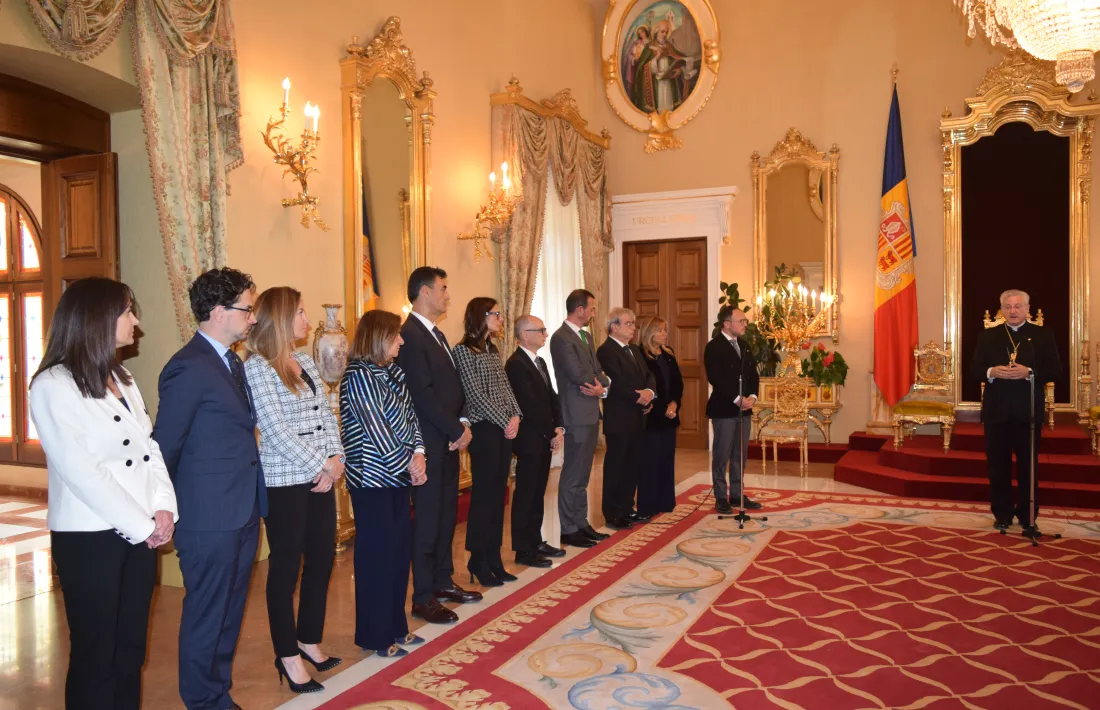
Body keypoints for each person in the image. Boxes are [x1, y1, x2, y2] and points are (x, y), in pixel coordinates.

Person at [30, 278, 177, 710]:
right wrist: (143, 525)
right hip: (91, 539)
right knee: (97, 655)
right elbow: (82, 473)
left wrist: (164, 506)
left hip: (140, 530)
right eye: (128, 312)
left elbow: (149, 448)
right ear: (97, 318)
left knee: (131, 651)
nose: (135, 322)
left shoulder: (122, 377)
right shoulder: (52, 386)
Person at [153, 267, 268, 710]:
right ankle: (201, 700)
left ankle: (217, 694)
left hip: (240, 511)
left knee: (229, 613)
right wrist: (163, 510)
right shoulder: (187, 367)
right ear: (219, 312)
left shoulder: (231, 362)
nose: (252, 319)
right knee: (207, 615)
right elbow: (165, 447)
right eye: (247, 309)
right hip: (207, 519)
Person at [244, 287, 344, 693]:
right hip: (285, 482)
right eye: (300, 313)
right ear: (281, 319)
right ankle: (287, 653)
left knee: (322, 559)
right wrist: (320, 464)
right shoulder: (258, 368)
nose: (306, 320)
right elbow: (274, 430)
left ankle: (308, 639)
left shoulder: (303, 360)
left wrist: (336, 461)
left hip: (321, 476)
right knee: (285, 570)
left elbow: (326, 415)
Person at [396, 266, 482, 625]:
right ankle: (423, 596)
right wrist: (452, 429)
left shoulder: (437, 335)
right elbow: (422, 395)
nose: (448, 295)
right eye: (443, 288)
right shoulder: (410, 335)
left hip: (447, 438)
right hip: (428, 443)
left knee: (447, 514)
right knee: (429, 519)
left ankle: (443, 580)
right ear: (425, 292)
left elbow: (453, 387)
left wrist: (462, 423)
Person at [340, 309, 427, 658]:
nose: (401, 342)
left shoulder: (393, 372)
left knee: (397, 553)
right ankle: (374, 634)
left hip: (397, 476)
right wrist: (410, 466)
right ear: (378, 337)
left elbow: (411, 419)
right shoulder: (358, 376)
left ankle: (395, 626)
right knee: (376, 557)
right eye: (396, 336)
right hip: (372, 480)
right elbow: (378, 432)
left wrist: (419, 452)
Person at [970, 289, 1061, 531]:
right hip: (996, 411)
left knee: (1027, 466)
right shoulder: (987, 336)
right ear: (1001, 310)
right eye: (1008, 307)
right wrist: (993, 372)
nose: (1013, 311)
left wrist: (1029, 372)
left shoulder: (1042, 336)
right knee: (997, 465)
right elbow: (975, 370)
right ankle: (1002, 513)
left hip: (1027, 412)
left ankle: (1028, 515)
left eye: (1018, 306)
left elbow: (1055, 371)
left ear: (1027, 309)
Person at [452, 297, 523, 586]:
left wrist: (516, 415)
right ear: (480, 317)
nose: (500, 319)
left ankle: (494, 557)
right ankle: (477, 559)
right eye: (495, 314)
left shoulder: (492, 349)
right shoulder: (462, 351)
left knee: (499, 495)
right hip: (484, 431)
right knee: (483, 497)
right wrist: (505, 420)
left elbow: (505, 387)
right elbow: (474, 394)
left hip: (504, 429)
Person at [549, 289, 612, 548]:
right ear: (579, 309)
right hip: (574, 413)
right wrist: (598, 378)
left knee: (584, 473)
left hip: (589, 410)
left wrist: (602, 383)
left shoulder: (585, 336)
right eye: (592, 308)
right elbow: (578, 373)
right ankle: (568, 528)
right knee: (573, 473)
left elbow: (599, 372)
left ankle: (581, 522)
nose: (593, 313)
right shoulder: (560, 338)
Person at [506, 315, 566, 568]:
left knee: (539, 491)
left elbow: (552, 398)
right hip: (530, 438)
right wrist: (549, 432)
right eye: (540, 330)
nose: (545, 333)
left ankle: (536, 540)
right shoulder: (516, 364)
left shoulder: (539, 361)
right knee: (526, 494)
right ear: (524, 335)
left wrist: (559, 426)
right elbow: (528, 405)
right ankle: (523, 549)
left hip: (544, 435)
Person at [597, 308, 656, 529]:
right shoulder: (606, 351)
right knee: (616, 467)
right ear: (614, 326)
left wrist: (650, 394)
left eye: (633, 324)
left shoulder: (633, 349)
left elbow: (648, 375)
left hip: (638, 416)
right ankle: (612, 513)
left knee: (632, 465)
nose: (633, 328)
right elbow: (616, 382)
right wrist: (638, 397)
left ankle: (627, 508)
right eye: (628, 323)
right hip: (620, 417)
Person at [705, 305, 762, 514]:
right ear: (727, 324)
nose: (745, 324)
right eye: (741, 321)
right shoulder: (714, 347)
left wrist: (752, 397)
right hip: (724, 409)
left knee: (740, 455)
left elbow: (753, 375)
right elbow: (716, 378)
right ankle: (721, 496)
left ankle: (737, 494)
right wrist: (738, 398)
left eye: (745, 321)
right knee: (722, 454)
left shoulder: (745, 346)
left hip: (744, 410)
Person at [636, 316, 684, 517]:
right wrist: (658, 406)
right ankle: (647, 505)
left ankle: (665, 502)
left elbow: (677, 383)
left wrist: (674, 403)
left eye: (665, 330)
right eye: (660, 331)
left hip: (669, 415)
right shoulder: (640, 355)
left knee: (666, 458)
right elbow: (641, 384)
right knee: (649, 461)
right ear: (648, 333)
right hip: (651, 415)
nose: (664, 334)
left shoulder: (668, 354)